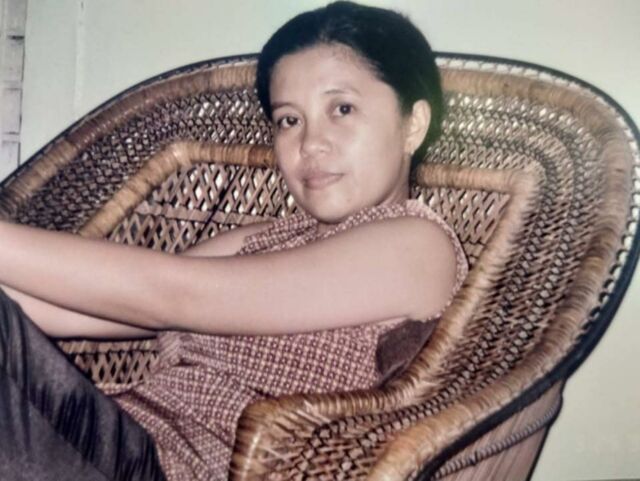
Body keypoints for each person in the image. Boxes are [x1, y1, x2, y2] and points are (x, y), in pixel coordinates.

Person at [0, 2, 468, 480]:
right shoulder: (265, 240)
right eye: (289, 120)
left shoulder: (417, 246)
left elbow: (171, 296)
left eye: (342, 109)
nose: (310, 143)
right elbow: (98, 309)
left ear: (413, 124)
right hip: (107, 441)